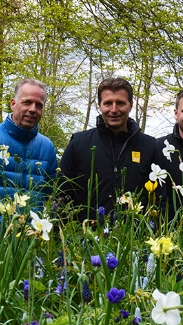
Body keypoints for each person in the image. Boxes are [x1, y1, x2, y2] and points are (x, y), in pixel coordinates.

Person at [59, 77, 161, 220]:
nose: (114, 110)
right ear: (99, 106)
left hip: (134, 237)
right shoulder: (78, 143)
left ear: (131, 106)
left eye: (120, 103)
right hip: (86, 236)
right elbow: (62, 194)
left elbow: (160, 198)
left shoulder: (150, 146)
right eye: (108, 103)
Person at [0, 79, 58, 207]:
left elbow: (51, 194)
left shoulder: (47, 147)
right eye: (27, 102)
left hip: (34, 226)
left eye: (39, 105)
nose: (33, 109)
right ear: (13, 104)